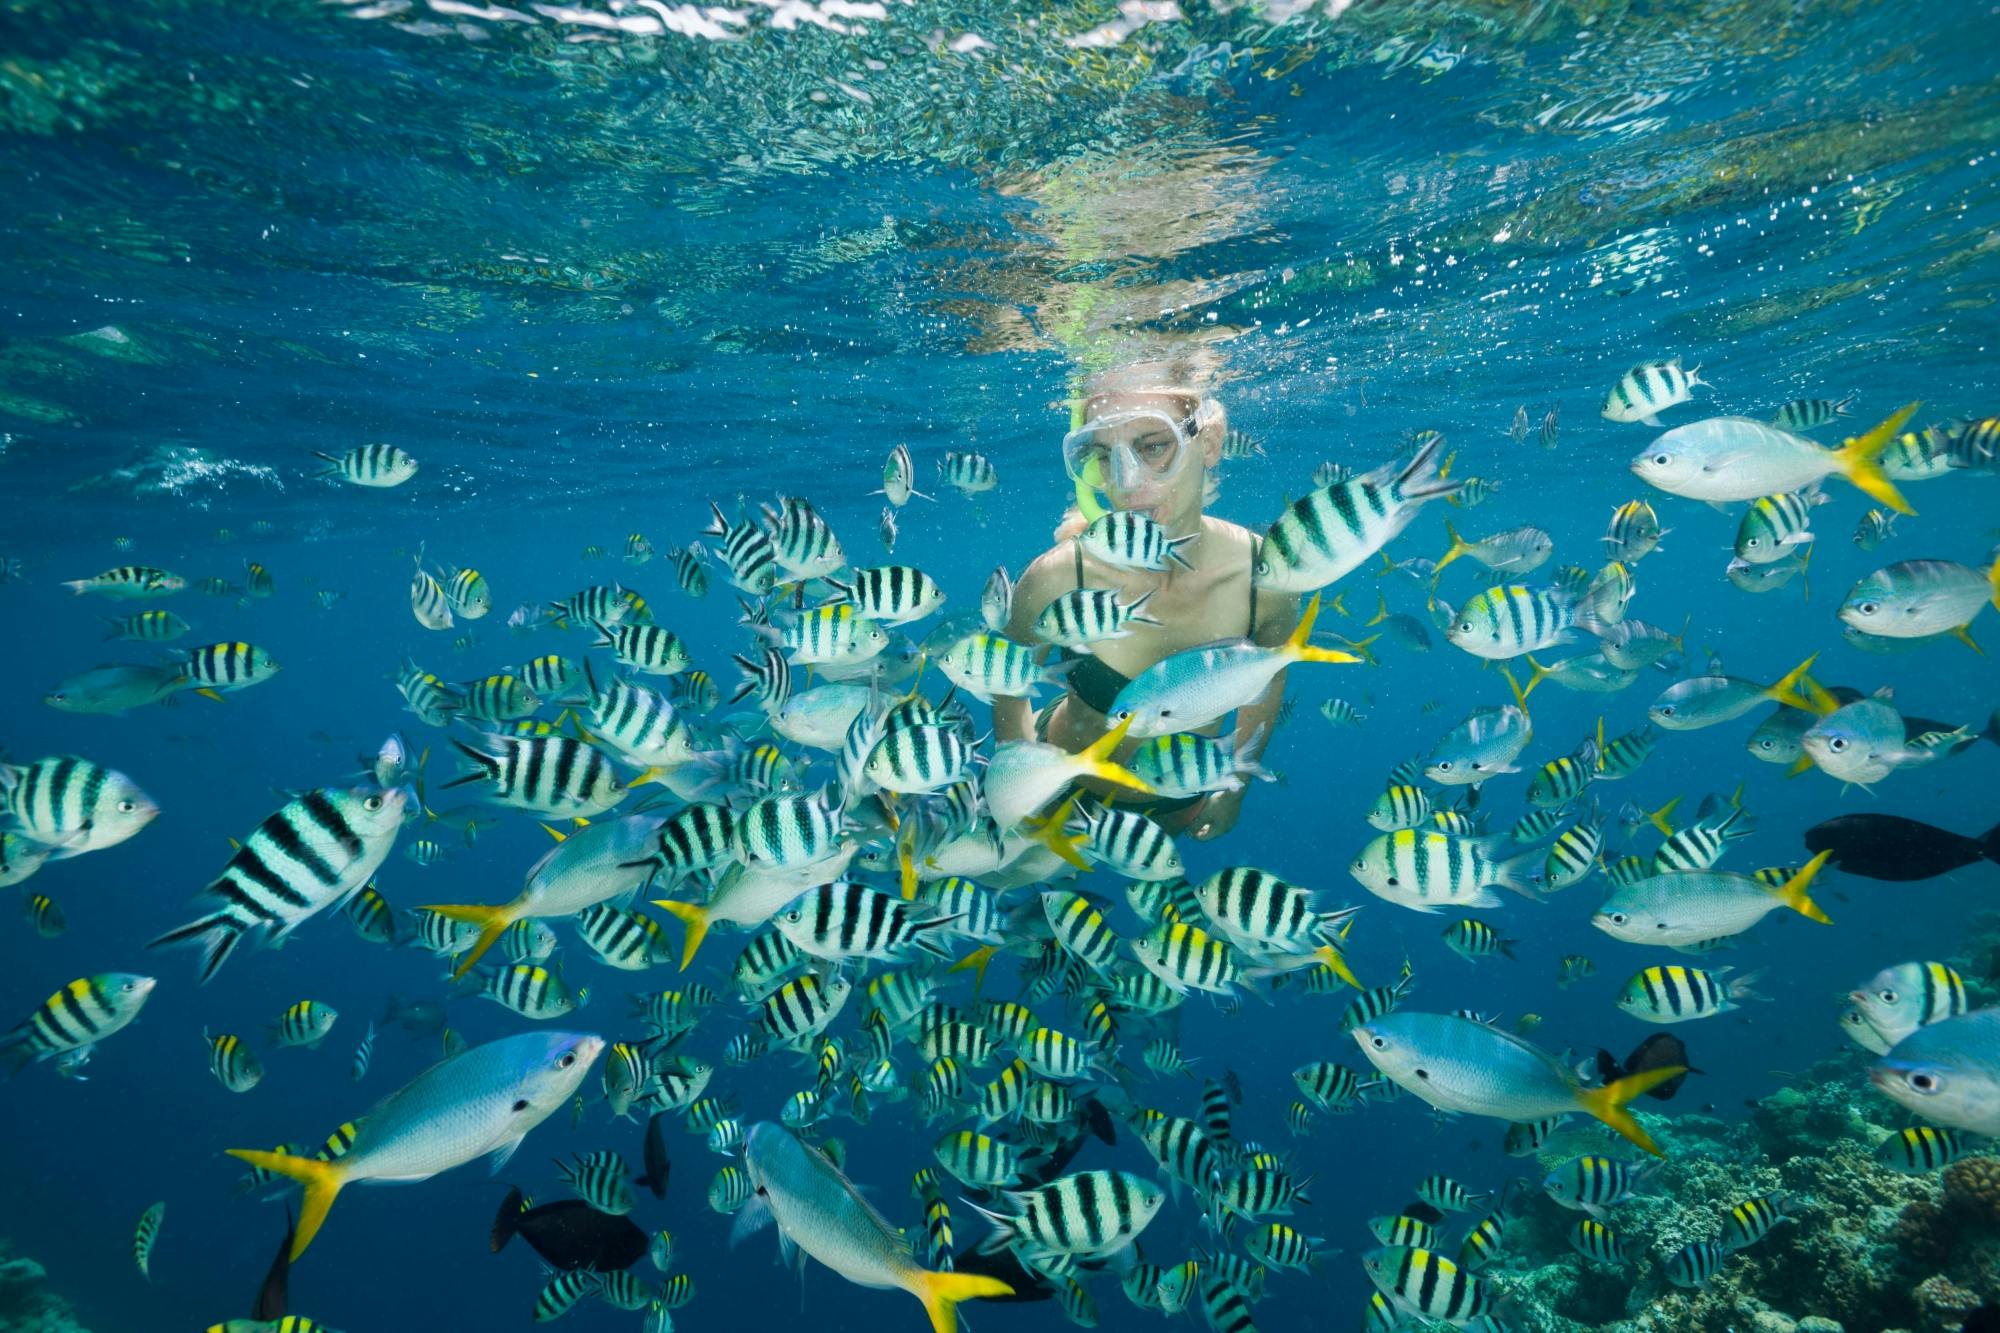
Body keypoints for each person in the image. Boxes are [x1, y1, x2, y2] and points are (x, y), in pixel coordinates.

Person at [992, 359, 1299, 841]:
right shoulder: (1058, 577)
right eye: (1103, 455)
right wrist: (1017, 786)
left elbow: (1271, 671)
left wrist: (1235, 785)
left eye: (1154, 446)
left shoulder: (1265, 576)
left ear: (1211, 442)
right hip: (1066, 799)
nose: (1127, 483)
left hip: (1183, 802)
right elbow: (1006, 676)